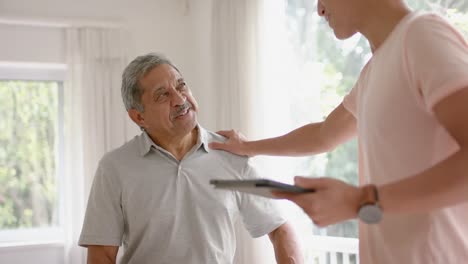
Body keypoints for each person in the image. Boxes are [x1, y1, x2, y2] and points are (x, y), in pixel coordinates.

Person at [209, 0, 468, 263]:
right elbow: (323, 134)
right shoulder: (373, 72)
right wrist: (248, 147)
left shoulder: (421, 36)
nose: (319, 9)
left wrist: (360, 201)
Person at [78, 53, 304, 264]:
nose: (179, 99)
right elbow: (102, 255)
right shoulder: (115, 168)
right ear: (139, 116)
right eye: (162, 95)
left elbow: (280, 229)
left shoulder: (231, 155)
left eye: (181, 85)